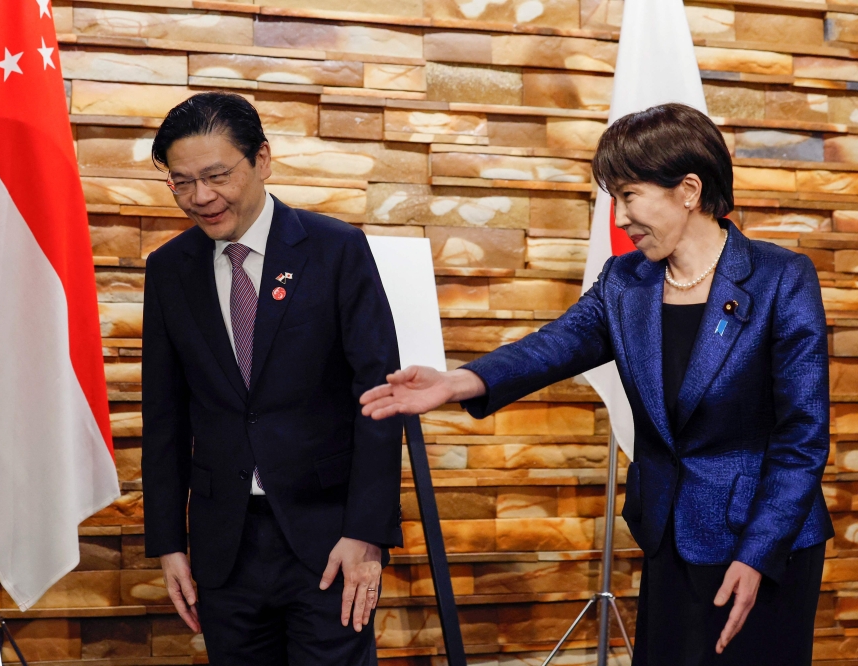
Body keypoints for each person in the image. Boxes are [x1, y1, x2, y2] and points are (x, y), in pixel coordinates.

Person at [360, 103, 833, 665]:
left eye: (629, 195)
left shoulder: (781, 278)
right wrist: (458, 381)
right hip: (669, 535)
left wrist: (757, 554)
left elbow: (802, 437)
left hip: (762, 540)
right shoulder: (626, 281)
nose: (620, 216)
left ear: (688, 189)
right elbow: (554, 345)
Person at [141, 92, 403, 665]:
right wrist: (168, 545)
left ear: (261, 159)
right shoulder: (168, 270)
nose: (201, 197)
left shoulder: (335, 249)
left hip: (328, 540)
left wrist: (367, 534)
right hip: (223, 546)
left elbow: (379, 399)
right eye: (181, 182)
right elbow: (164, 417)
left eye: (216, 175)